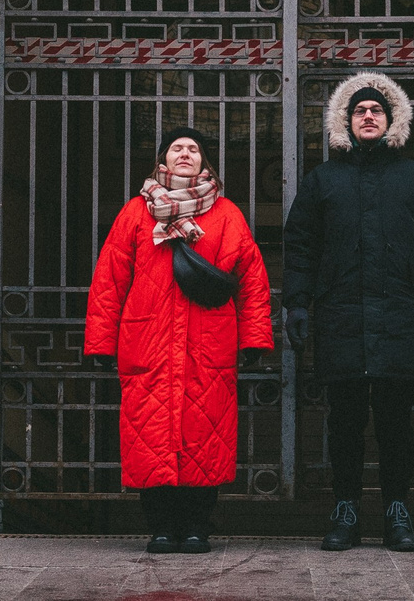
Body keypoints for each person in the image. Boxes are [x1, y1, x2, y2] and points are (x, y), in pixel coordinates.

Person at [282, 72, 414, 554]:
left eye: (376, 110)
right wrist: (296, 302)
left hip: (399, 316)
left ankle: (397, 511)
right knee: (344, 420)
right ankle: (345, 511)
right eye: (359, 110)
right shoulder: (323, 180)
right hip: (340, 316)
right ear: (346, 120)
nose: (367, 116)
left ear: (391, 120)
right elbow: (300, 245)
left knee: (396, 421)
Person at [84, 127, 274, 554]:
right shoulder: (136, 213)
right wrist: (100, 342)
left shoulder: (227, 215)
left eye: (194, 149)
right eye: (177, 149)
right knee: (149, 437)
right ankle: (160, 527)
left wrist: (256, 339)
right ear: (162, 162)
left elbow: (253, 282)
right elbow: (109, 280)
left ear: (205, 163)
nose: (185, 154)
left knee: (205, 437)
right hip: (148, 343)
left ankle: (196, 527)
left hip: (208, 346)